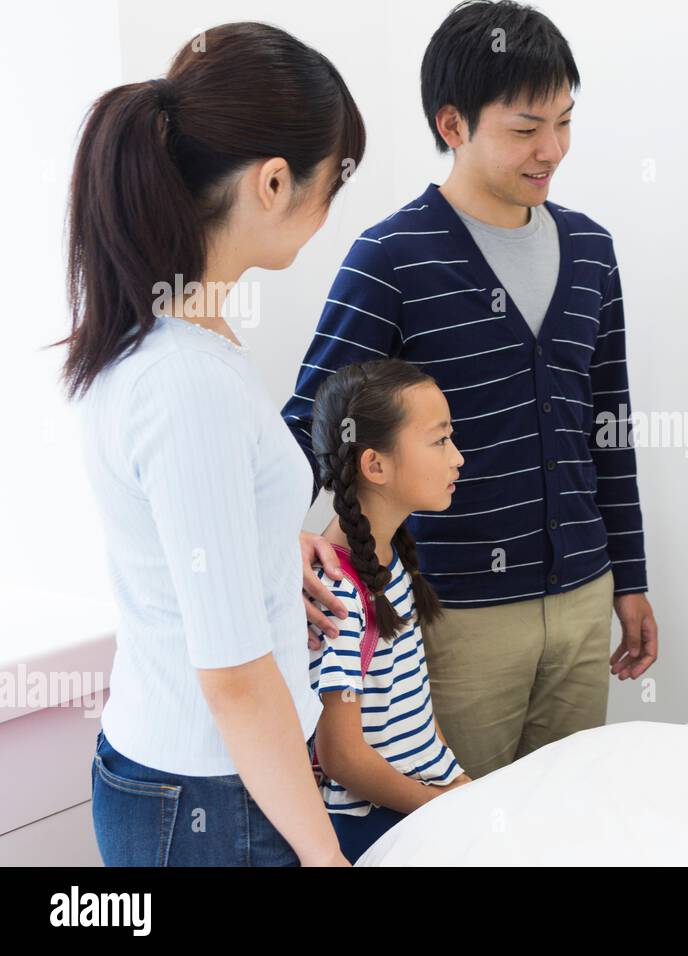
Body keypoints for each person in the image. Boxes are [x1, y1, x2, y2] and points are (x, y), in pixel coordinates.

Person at [283, 0, 659, 780]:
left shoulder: (592, 249)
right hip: (451, 618)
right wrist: (276, 538)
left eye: (564, 121)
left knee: (569, 824)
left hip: (585, 599)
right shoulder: (391, 256)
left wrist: (632, 580)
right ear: (452, 125)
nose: (551, 149)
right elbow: (311, 423)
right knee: (454, 838)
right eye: (526, 129)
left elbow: (609, 426)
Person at [59, 21, 366, 865]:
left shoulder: (183, 337)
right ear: (273, 182)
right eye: (330, 183)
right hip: (209, 792)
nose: (329, 210)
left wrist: (269, 560)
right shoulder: (183, 379)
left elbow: (191, 553)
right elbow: (231, 679)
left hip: (213, 778)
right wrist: (326, 856)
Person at [306, 360, 472, 863]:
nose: (458, 458)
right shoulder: (337, 591)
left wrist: (455, 778)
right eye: (440, 441)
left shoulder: (391, 556)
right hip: (376, 826)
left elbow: (415, 703)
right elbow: (340, 754)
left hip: (421, 801)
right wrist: (435, 806)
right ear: (375, 465)